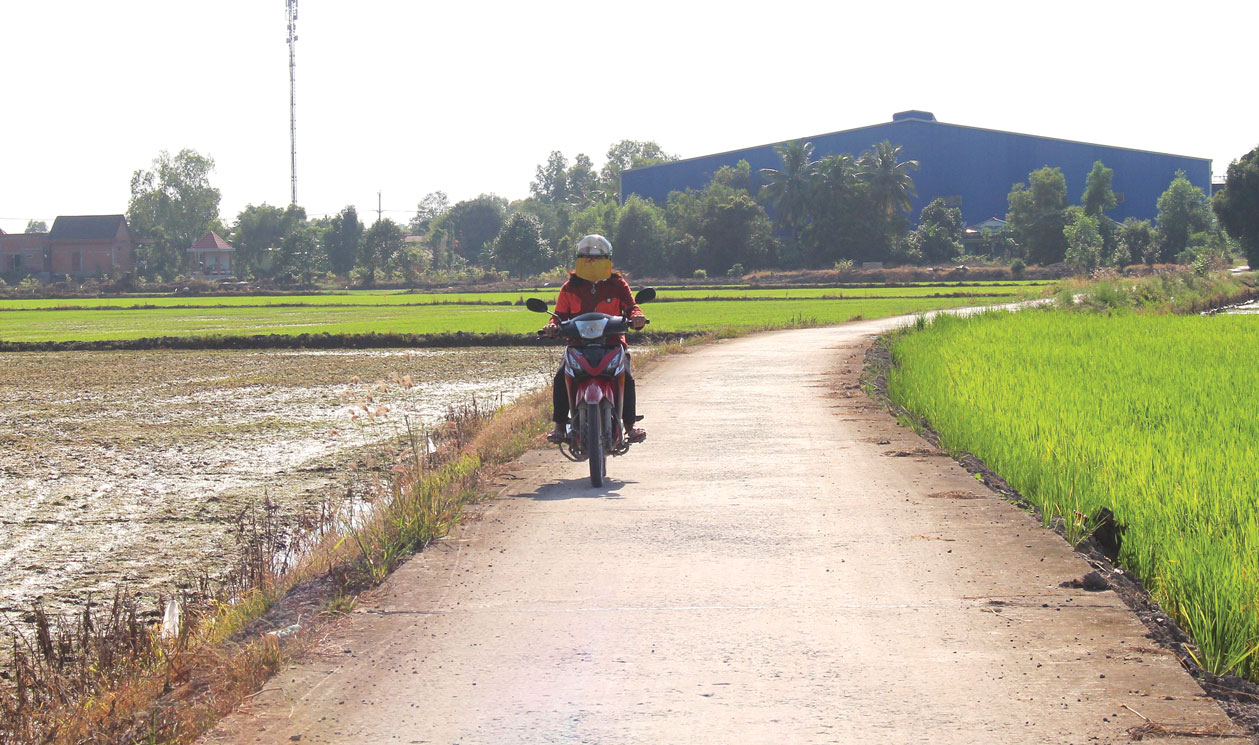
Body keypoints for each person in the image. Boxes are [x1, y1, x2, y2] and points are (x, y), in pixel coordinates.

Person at [543, 234, 647, 444]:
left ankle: (629, 426)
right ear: (579, 260)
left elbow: (631, 306)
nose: (592, 263)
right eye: (587, 258)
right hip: (578, 345)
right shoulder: (570, 287)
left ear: (607, 260)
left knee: (627, 377)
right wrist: (553, 326)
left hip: (612, 344)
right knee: (560, 378)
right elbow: (559, 316)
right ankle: (560, 426)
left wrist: (636, 316)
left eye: (597, 259)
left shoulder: (617, 285)